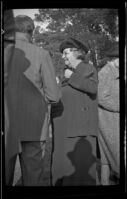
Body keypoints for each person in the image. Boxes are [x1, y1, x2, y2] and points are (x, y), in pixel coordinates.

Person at [4, 14, 61, 186]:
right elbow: (54, 95)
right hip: (33, 127)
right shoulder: (41, 54)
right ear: (31, 31)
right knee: (33, 179)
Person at [51, 37, 98, 186]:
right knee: (63, 168)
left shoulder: (87, 68)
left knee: (79, 173)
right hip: (65, 128)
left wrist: (71, 77)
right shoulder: (67, 72)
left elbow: (92, 88)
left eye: (66, 52)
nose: (63, 56)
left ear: (77, 52)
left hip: (79, 130)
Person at [98, 43, 119, 185]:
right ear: (113, 59)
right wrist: (119, 106)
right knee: (114, 151)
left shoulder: (114, 70)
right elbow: (101, 97)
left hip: (111, 117)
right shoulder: (106, 72)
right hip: (107, 119)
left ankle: (105, 182)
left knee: (106, 155)